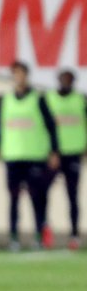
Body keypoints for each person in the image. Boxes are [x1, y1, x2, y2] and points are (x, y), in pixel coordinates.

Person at [0, 60, 61, 251]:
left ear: (26, 75)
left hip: (34, 156)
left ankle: (39, 236)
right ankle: (13, 237)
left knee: (36, 198)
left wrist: (54, 151)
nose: (18, 77)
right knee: (13, 199)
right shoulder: (7, 100)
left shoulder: (38, 98)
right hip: (12, 156)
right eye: (15, 73)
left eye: (21, 73)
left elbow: (51, 126)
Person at [44, 69, 85, 250]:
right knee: (42, 192)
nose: (65, 82)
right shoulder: (49, 99)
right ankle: (44, 230)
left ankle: (74, 234)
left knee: (73, 196)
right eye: (63, 79)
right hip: (54, 154)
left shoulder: (80, 100)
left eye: (69, 79)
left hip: (73, 153)